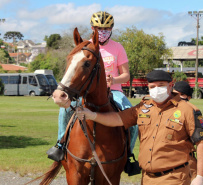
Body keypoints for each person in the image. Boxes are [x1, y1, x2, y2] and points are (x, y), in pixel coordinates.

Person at [77, 70, 203, 185]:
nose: (156, 89)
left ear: (171, 86)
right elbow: (118, 119)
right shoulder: (143, 107)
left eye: (161, 85)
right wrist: (93, 115)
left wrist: (200, 177)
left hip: (176, 177)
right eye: (152, 86)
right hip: (147, 178)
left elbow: (202, 143)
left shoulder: (187, 110)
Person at [48, 11, 138, 160]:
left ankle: (128, 154)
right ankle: (60, 144)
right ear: (92, 28)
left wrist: (114, 80)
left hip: (113, 91)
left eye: (106, 29)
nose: (102, 32)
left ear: (111, 29)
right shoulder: (85, 46)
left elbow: (126, 75)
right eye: (98, 28)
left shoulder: (118, 48)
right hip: (87, 92)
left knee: (131, 118)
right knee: (64, 111)